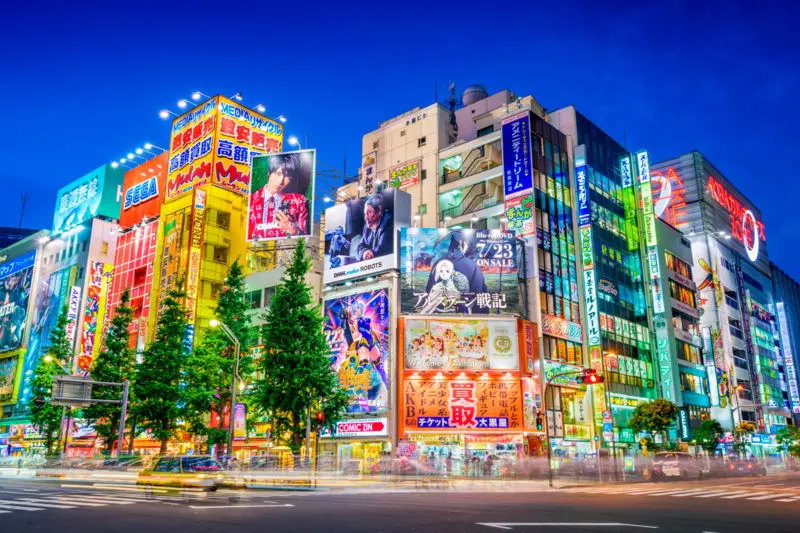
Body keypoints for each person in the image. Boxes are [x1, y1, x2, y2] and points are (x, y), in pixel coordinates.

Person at [248, 153, 309, 240]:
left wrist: (294, 231)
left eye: (287, 176)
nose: (280, 181)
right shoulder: (250, 200)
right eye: (278, 173)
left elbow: (305, 239)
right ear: (269, 173)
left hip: (284, 250)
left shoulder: (299, 201)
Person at [355, 194, 393, 261]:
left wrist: (371, 253)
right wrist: (364, 252)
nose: (366, 218)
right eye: (365, 214)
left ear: (379, 211)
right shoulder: (367, 227)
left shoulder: (388, 221)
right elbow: (359, 248)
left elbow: (382, 249)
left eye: (369, 213)